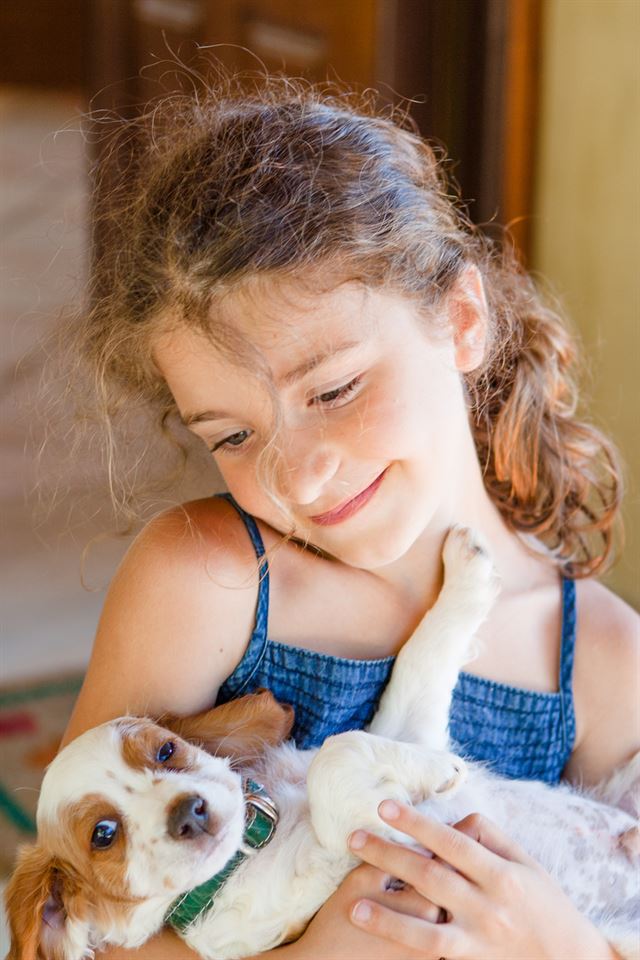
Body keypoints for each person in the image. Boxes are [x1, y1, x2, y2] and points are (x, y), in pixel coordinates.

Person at [60, 74, 638, 959]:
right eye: (235, 434)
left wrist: (565, 947)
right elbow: (80, 927)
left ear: (462, 317)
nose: (297, 474)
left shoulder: (600, 665)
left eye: (334, 389)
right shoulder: (204, 585)